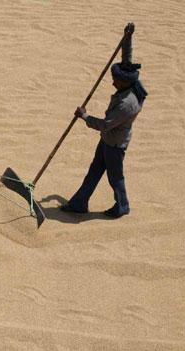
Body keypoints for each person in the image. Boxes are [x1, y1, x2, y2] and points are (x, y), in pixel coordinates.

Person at [61, 25, 147, 218]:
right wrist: (128, 38)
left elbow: (105, 124)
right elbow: (127, 57)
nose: (113, 83)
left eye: (116, 80)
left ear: (125, 83)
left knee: (115, 178)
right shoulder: (130, 80)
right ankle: (79, 203)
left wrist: (84, 116)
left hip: (115, 144)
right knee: (94, 172)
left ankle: (122, 207)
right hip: (108, 140)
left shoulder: (127, 104)